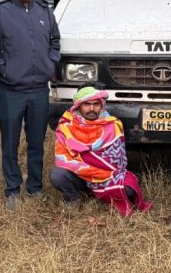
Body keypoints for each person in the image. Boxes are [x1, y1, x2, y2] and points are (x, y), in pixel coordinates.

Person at [0, 0, 61, 210]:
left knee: (37, 141)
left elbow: (55, 41)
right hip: (11, 90)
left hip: (39, 88)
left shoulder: (44, 11)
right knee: (10, 142)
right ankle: (12, 190)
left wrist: (50, 64)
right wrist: (3, 69)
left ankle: (35, 187)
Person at [50, 86, 152, 216]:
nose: (92, 109)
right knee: (57, 175)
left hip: (107, 177)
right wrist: (86, 171)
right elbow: (63, 158)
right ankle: (75, 197)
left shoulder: (113, 125)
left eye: (96, 104)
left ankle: (98, 192)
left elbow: (117, 164)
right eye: (87, 104)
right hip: (79, 176)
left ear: (101, 106)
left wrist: (97, 174)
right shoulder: (67, 126)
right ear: (79, 106)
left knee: (129, 190)